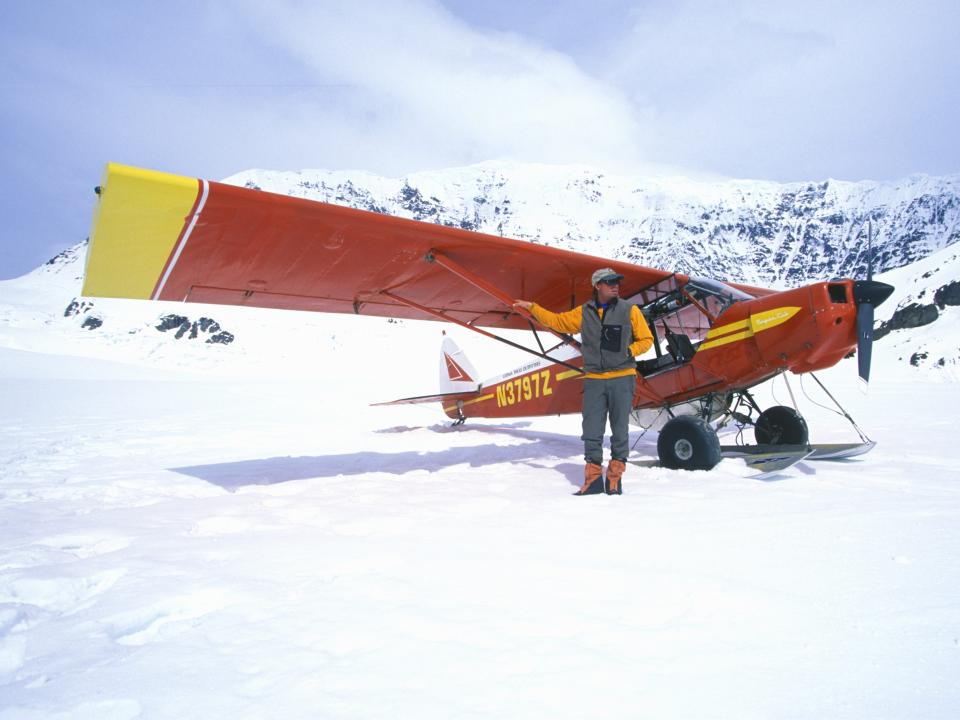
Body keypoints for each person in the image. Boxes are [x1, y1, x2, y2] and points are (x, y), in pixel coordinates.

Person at [514, 268, 653, 496]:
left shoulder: (630, 310)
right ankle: (593, 479)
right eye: (609, 282)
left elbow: (646, 339)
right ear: (597, 286)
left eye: (617, 282)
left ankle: (615, 478)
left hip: (622, 378)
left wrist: (629, 350)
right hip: (594, 380)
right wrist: (533, 308)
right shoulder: (583, 312)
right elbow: (558, 321)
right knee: (591, 430)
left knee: (620, 430)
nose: (615, 285)